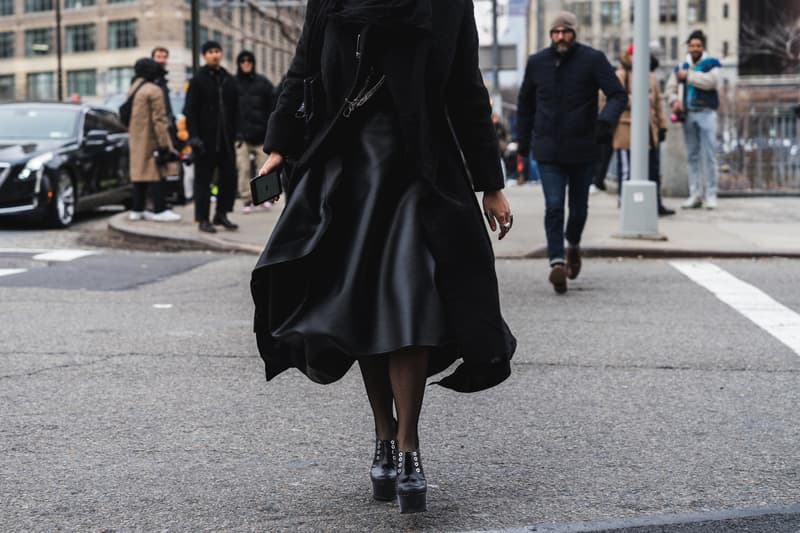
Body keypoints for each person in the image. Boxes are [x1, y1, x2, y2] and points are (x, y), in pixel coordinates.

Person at [250, 0, 516, 514]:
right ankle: (384, 436)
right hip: (349, 173)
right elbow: (304, 69)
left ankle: (410, 447)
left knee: (409, 305)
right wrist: (279, 145)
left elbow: (465, 89)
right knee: (365, 308)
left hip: (422, 173)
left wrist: (491, 183)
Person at [516, 11, 626, 294]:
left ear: (575, 33)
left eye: (565, 32)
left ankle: (572, 245)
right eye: (555, 32)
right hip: (548, 148)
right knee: (554, 206)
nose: (560, 37)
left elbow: (617, 93)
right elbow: (525, 105)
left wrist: (605, 122)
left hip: (583, 147)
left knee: (578, 209)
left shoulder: (592, 59)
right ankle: (556, 262)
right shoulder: (537, 62)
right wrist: (523, 144)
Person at [606, 44, 672, 215]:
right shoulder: (621, 75)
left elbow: (658, 103)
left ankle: (655, 203)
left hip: (649, 130)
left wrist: (662, 125)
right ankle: (625, 201)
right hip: (626, 128)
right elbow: (609, 98)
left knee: (653, 168)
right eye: (633, 54)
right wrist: (632, 101)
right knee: (627, 169)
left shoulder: (651, 77)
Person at [184, 40, 239, 233]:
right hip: (205, 142)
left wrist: (237, 133)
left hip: (226, 140)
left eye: (217, 51)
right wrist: (194, 138)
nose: (215, 55)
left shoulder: (228, 79)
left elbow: (236, 109)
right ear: (204, 55)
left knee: (228, 178)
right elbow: (190, 111)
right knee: (203, 181)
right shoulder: (198, 79)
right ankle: (203, 219)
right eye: (210, 52)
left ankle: (221, 214)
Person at [665, 29, 721, 210]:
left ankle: (710, 195)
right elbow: (670, 88)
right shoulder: (680, 66)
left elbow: (711, 82)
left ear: (703, 47)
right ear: (688, 47)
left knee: (710, 156)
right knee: (692, 156)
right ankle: (694, 194)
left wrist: (688, 76)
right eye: (692, 45)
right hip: (688, 115)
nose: (695, 48)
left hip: (706, 113)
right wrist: (674, 101)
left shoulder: (711, 63)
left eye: (698, 45)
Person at [126, 58, 181, 222]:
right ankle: (160, 209)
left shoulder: (134, 88)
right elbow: (159, 120)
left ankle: (137, 209)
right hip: (151, 139)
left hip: (136, 137)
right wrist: (165, 144)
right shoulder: (154, 90)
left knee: (139, 174)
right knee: (158, 173)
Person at [234, 50, 275, 214]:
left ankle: (266, 197)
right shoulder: (233, 83)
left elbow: (273, 106)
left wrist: (269, 130)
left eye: (249, 60)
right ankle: (247, 200)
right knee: (243, 168)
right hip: (241, 136)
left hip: (261, 134)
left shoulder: (263, 83)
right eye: (242, 61)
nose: (246, 63)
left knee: (265, 167)